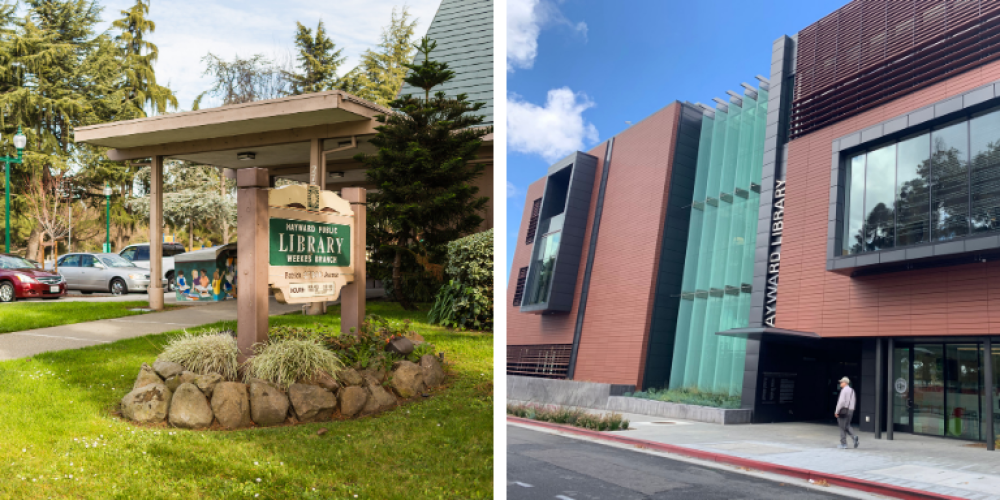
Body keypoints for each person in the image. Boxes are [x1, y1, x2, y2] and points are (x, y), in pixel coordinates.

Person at [835, 376, 858, 449]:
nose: (840, 383)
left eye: (841, 382)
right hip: (850, 410)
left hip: (843, 410)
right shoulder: (852, 390)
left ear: (845, 383)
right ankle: (854, 437)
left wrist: (836, 411)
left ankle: (843, 444)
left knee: (842, 427)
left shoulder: (843, 390)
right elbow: (854, 401)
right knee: (847, 425)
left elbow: (841, 402)